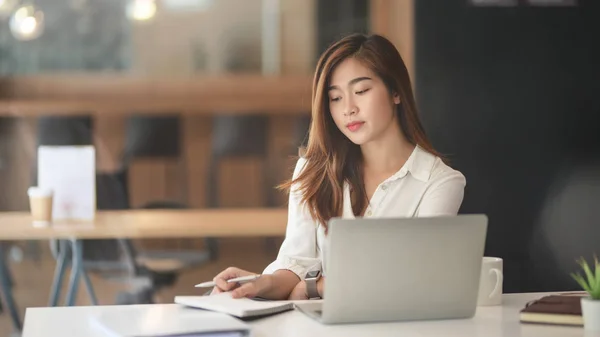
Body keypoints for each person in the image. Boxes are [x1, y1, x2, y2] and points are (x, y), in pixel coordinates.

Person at [210, 33, 466, 300]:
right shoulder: (313, 170)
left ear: (396, 92)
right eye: (335, 98)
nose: (348, 109)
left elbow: (412, 277)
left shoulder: (439, 183)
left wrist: (316, 286)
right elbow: (296, 262)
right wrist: (258, 284)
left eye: (361, 91)